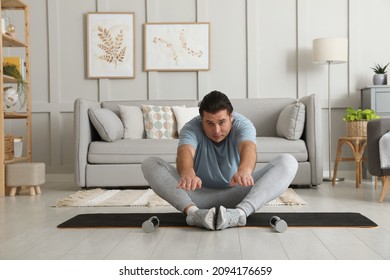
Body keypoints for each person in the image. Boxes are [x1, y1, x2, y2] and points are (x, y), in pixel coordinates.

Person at [141, 90, 298, 230]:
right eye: (209, 123)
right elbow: (185, 151)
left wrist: (245, 170)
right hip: (196, 194)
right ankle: (195, 215)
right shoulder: (191, 127)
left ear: (231, 117)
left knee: (288, 161)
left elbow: (248, 147)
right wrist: (187, 173)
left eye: (222, 122)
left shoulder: (243, 124)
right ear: (201, 120)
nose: (216, 130)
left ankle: (239, 214)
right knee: (150, 163)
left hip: (237, 192)